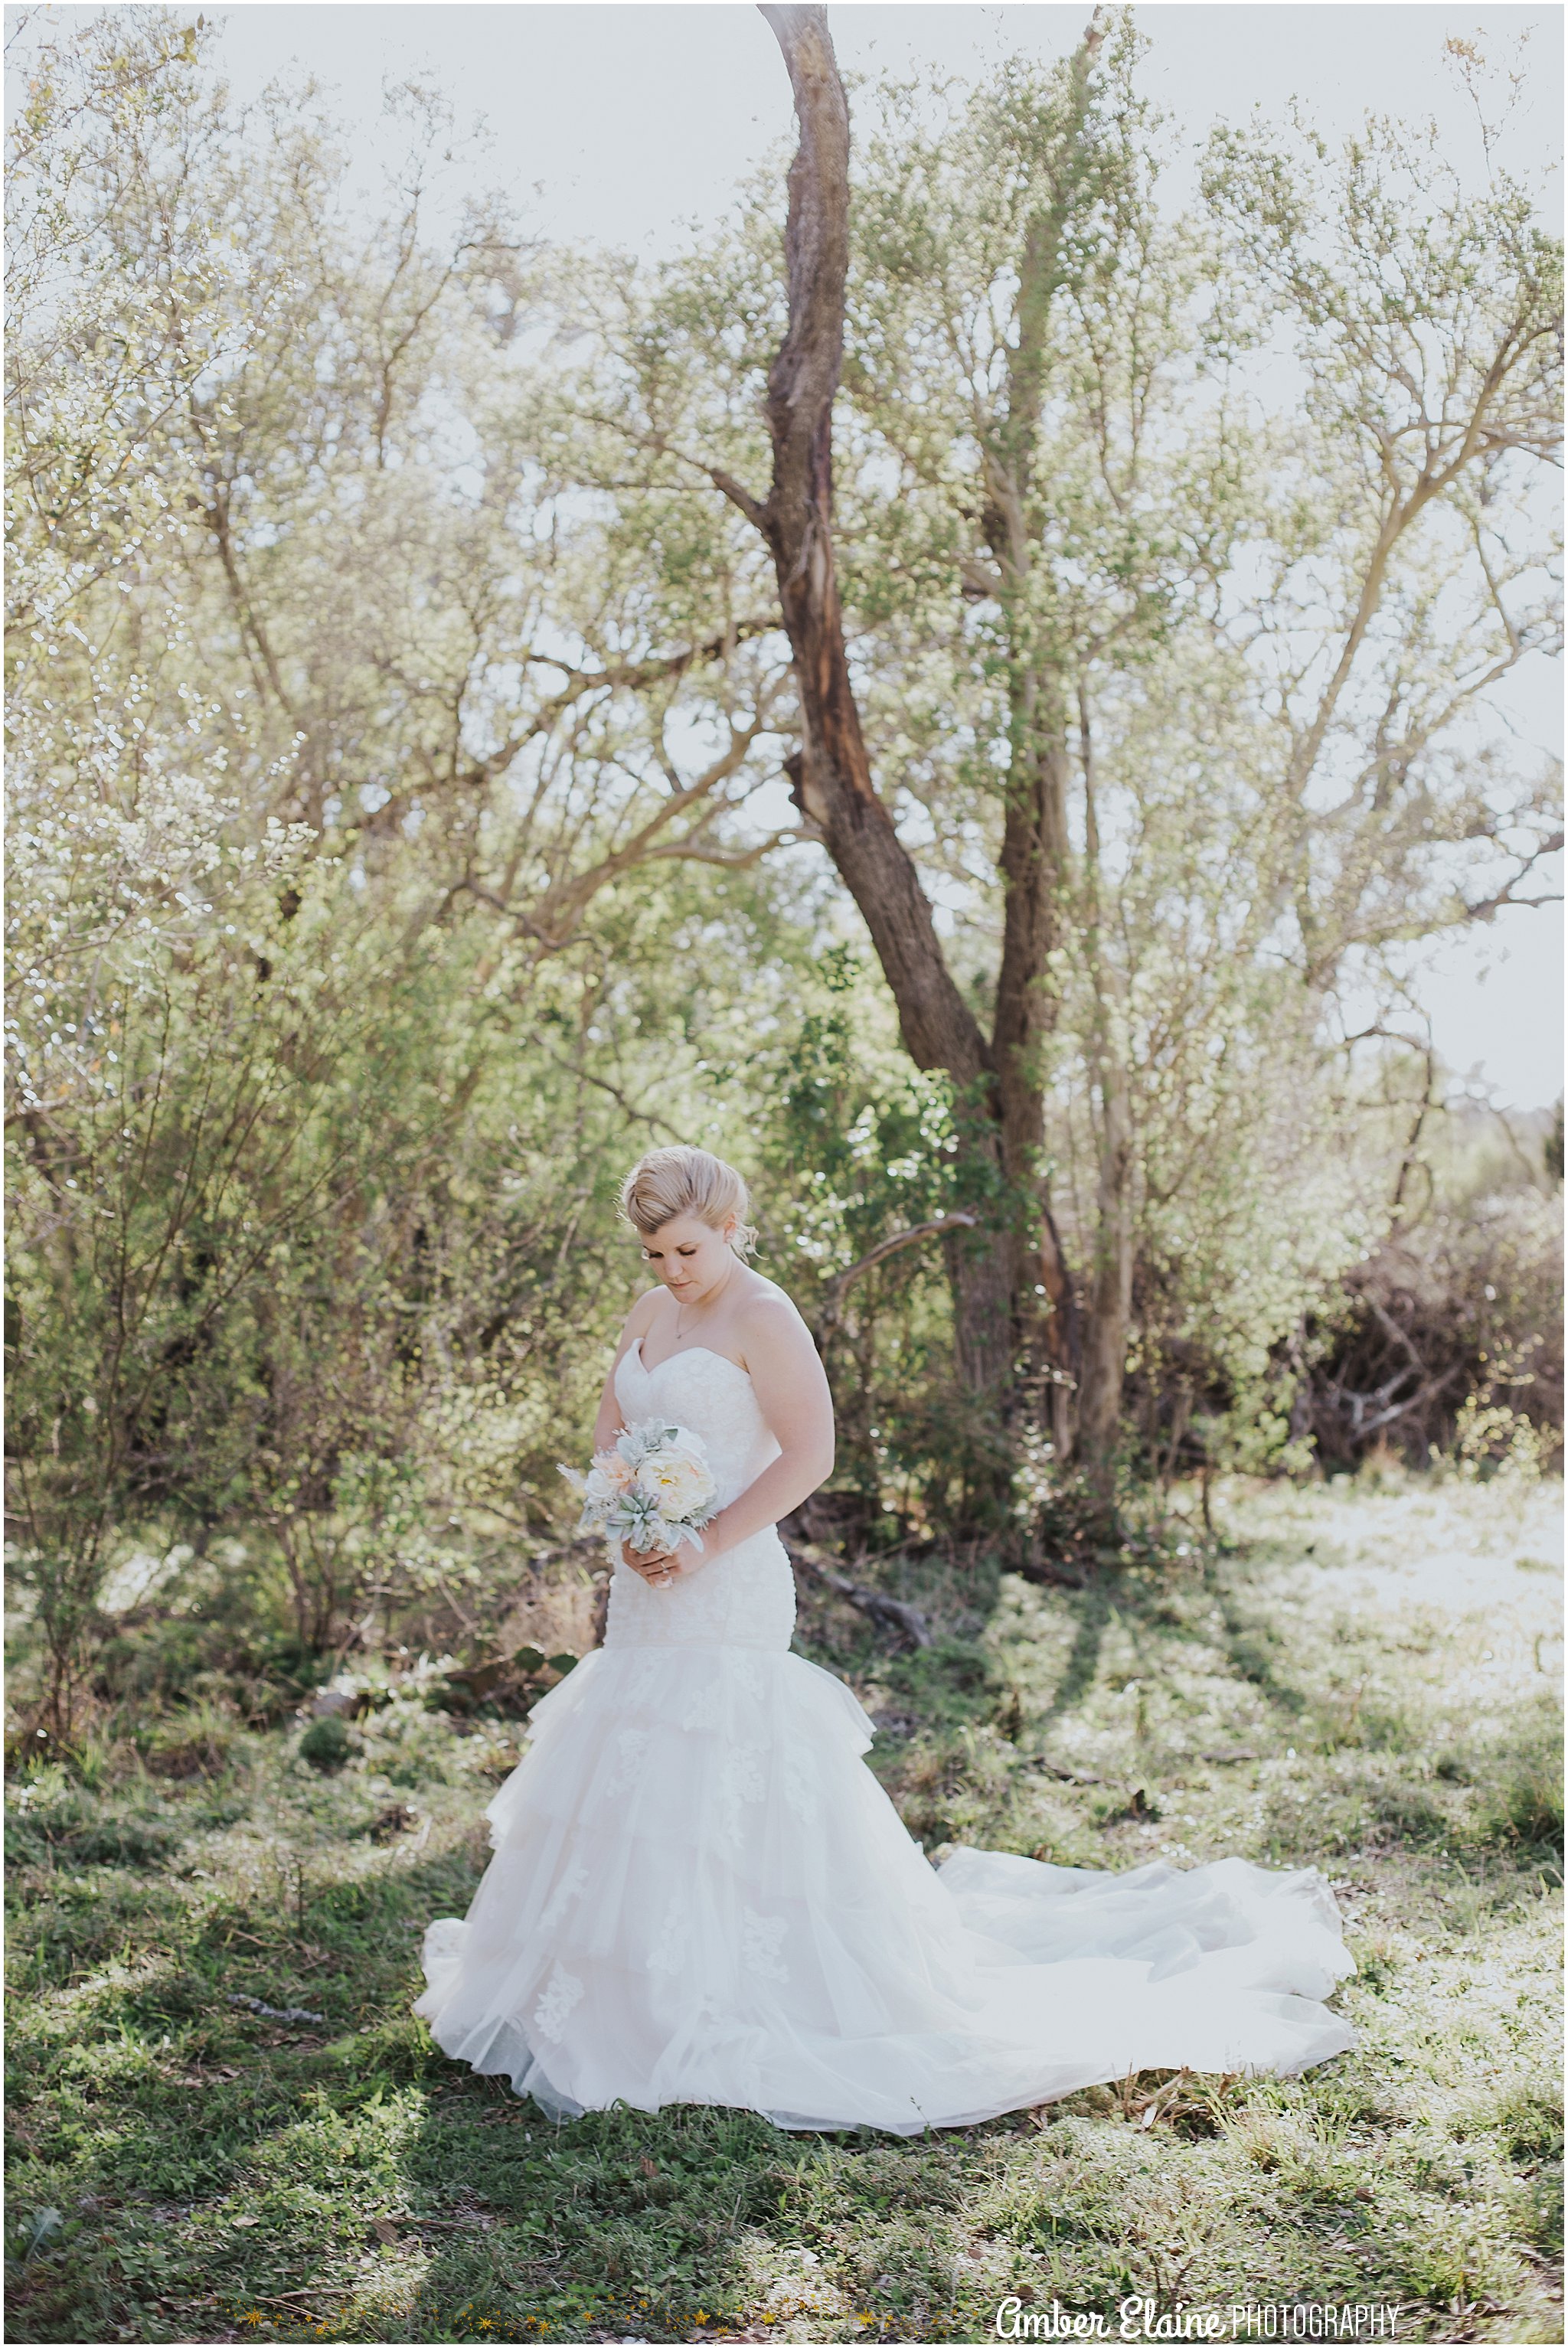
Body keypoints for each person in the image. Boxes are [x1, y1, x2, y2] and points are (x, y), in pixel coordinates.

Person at [415, 1146, 1355, 2134]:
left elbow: (810, 1454)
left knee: (715, 1761)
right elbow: (612, 1431)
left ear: (732, 1230)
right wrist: (634, 1519)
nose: (670, 1271)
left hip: (724, 1581)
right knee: (631, 1759)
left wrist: (702, 1543)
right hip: (647, 1581)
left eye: (686, 1249)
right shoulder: (650, 1315)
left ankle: (727, 1991)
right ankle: (607, 1992)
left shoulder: (766, 1318)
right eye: (653, 1253)